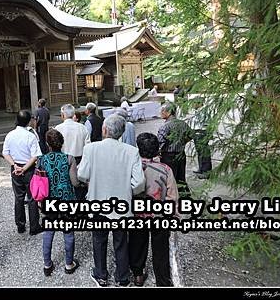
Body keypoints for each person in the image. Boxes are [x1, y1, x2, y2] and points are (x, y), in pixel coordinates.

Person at [77, 115, 145, 287]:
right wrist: (127, 190)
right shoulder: (131, 151)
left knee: (99, 240)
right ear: (121, 132)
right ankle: (122, 278)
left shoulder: (91, 149)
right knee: (121, 242)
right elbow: (139, 183)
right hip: (121, 205)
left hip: (98, 203)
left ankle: (101, 275)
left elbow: (82, 175)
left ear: (104, 129)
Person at [129, 133, 179, 287]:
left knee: (137, 244)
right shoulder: (165, 169)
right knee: (160, 249)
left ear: (138, 149)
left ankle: (138, 275)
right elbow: (172, 196)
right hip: (160, 216)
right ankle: (162, 280)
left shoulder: (133, 168)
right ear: (157, 149)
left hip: (137, 214)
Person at [39, 129, 80, 277]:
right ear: (61, 143)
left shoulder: (41, 160)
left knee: (48, 232)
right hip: (66, 200)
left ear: (48, 144)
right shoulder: (69, 159)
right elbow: (75, 182)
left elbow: (39, 182)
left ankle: (47, 264)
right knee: (68, 232)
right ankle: (69, 264)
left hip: (49, 201)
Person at [2, 110, 43, 235]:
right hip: (28, 168)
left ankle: (20, 225)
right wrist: (24, 168)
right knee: (32, 198)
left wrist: (14, 165)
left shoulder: (10, 135)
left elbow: (5, 152)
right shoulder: (30, 136)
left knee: (18, 197)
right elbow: (35, 156)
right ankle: (34, 227)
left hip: (15, 168)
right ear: (28, 121)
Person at [54, 104, 90, 200]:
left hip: (63, 160)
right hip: (79, 160)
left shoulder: (58, 128)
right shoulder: (82, 128)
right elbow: (88, 147)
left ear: (62, 115)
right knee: (79, 188)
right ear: (74, 114)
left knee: (64, 185)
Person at [157, 102, 193, 197]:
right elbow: (190, 135)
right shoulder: (182, 123)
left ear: (168, 112)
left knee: (169, 180)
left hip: (168, 156)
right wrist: (182, 142)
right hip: (181, 154)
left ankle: (170, 200)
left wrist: (159, 152)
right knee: (181, 178)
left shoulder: (165, 126)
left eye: (162, 110)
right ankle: (185, 197)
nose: (161, 112)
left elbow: (161, 142)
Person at [188, 99, 212, 179]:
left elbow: (204, 124)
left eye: (194, 103)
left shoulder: (203, 111)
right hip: (197, 133)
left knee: (204, 152)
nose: (193, 105)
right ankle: (201, 168)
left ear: (199, 103)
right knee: (200, 152)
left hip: (201, 133)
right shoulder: (198, 111)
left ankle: (206, 171)